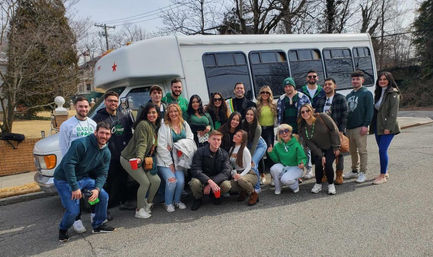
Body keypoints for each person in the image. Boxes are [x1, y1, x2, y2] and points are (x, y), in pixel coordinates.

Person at [54, 122, 114, 242]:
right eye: (101, 132)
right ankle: (63, 229)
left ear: (110, 135)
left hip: (83, 178)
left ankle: (98, 225)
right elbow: (68, 164)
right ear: (95, 132)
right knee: (73, 211)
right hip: (64, 180)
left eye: (107, 134)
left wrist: (96, 189)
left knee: (103, 195)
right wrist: (75, 187)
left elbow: (103, 173)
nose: (104, 136)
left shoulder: (106, 152)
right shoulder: (81, 144)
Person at [58, 96, 97, 234]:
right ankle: (77, 220)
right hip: (75, 166)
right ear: (75, 107)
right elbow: (64, 147)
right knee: (76, 193)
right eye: (81, 106)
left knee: (92, 191)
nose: (84, 109)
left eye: (86, 106)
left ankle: (94, 213)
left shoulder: (93, 124)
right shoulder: (67, 125)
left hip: (90, 165)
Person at [93, 91, 134, 211]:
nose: (113, 103)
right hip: (107, 157)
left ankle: (123, 202)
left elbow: (129, 135)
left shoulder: (124, 115)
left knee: (123, 180)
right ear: (105, 102)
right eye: (110, 101)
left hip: (122, 156)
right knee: (108, 183)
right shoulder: (98, 118)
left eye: (115, 101)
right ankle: (106, 208)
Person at [120, 103, 161, 219]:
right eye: (149, 113)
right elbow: (142, 143)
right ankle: (139, 209)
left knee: (156, 181)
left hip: (142, 160)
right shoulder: (143, 125)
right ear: (145, 114)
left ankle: (148, 203)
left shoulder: (154, 126)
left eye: (154, 112)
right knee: (145, 183)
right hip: (130, 159)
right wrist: (139, 157)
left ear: (158, 114)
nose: (152, 115)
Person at [156, 104, 193, 212]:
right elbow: (162, 147)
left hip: (179, 159)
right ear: (168, 114)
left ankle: (177, 201)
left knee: (181, 182)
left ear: (179, 112)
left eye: (175, 111)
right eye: (171, 112)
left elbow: (190, 139)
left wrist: (176, 145)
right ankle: (168, 203)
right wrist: (170, 163)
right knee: (172, 181)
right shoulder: (164, 126)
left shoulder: (184, 124)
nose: (173, 113)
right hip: (164, 161)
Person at [298, 104, 340, 195]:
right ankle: (318, 184)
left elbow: (334, 130)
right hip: (317, 149)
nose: (305, 113)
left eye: (307, 110)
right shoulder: (303, 127)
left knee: (328, 164)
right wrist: (321, 155)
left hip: (330, 146)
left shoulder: (322, 117)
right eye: (302, 112)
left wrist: (336, 146)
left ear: (311, 111)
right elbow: (309, 143)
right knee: (318, 164)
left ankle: (331, 185)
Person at [369, 71, 401, 185]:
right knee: (382, 150)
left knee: (382, 150)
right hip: (378, 126)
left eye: (384, 79)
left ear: (389, 80)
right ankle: (385, 171)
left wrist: (388, 128)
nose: (382, 81)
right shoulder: (378, 92)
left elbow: (393, 113)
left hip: (388, 127)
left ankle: (382, 176)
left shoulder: (393, 93)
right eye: (380, 79)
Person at [277, 77, 312, 177]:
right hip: (287, 131)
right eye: (286, 87)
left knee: (305, 148)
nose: (288, 88)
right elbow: (279, 115)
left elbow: (310, 112)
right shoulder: (282, 99)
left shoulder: (303, 97)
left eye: (290, 86)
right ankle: (295, 171)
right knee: (292, 151)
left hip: (301, 128)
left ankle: (308, 169)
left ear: (294, 86)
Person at [315, 78, 348, 185]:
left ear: (335, 86)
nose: (327, 86)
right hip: (323, 133)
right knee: (324, 153)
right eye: (325, 85)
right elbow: (316, 117)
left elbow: (345, 115)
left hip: (337, 131)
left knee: (338, 153)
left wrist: (342, 131)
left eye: (330, 84)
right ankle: (325, 173)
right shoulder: (320, 100)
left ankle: (339, 174)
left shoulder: (340, 98)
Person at [189, 130, 232, 210]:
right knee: (194, 182)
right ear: (208, 140)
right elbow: (195, 170)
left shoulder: (224, 153)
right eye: (214, 139)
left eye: (218, 140)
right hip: (203, 179)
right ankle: (198, 198)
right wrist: (209, 181)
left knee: (227, 185)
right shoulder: (199, 152)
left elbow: (226, 172)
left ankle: (214, 195)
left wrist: (212, 183)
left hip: (217, 180)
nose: (216, 142)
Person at [344, 70, 374, 183]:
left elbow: (369, 111)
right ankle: (354, 170)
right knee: (352, 151)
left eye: (357, 79)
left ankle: (363, 172)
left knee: (362, 151)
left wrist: (366, 125)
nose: (355, 81)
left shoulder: (366, 93)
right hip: (349, 128)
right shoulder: (349, 95)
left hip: (360, 127)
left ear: (362, 80)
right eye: (353, 79)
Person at [268, 124, 307, 194]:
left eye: (286, 131)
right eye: (281, 132)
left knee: (285, 179)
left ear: (290, 132)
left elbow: (302, 157)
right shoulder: (277, 146)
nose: (284, 133)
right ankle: (278, 187)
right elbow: (277, 160)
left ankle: (295, 186)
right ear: (279, 135)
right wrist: (271, 153)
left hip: (296, 167)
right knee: (273, 169)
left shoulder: (296, 144)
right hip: (285, 167)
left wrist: (302, 163)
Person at [229, 130, 259, 205]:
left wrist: (241, 175)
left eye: (238, 136)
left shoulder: (245, 150)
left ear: (242, 140)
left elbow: (249, 166)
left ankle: (253, 193)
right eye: (235, 134)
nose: (235, 136)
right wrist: (234, 174)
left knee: (240, 180)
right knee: (230, 186)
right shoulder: (231, 148)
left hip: (249, 173)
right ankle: (244, 191)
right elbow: (231, 165)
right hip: (237, 172)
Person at [241, 107, 267, 193]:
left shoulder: (258, 127)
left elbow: (255, 144)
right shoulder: (243, 123)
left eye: (251, 115)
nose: (249, 116)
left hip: (259, 145)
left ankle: (257, 187)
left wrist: (250, 158)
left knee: (253, 164)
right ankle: (254, 181)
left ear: (255, 116)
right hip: (248, 145)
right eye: (247, 114)